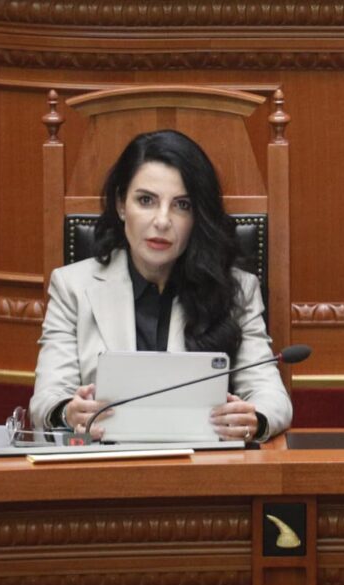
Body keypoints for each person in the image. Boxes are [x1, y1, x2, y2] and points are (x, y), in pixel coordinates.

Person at [30, 129, 292, 441]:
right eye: (146, 201)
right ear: (121, 205)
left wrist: (252, 420)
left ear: (197, 216)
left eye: (182, 205)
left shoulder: (236, 290)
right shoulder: (72, 287)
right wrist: (67, 413)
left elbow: (272, 398)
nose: (163, 221)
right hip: (102, 462)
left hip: (202, 465)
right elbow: (46, 400)